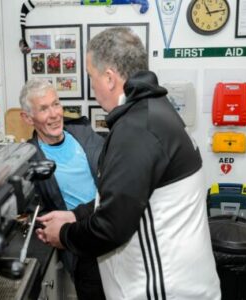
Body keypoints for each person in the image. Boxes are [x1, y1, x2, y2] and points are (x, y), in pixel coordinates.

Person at [36, 27, 221, 300]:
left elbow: (111, 228)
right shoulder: (152, 112)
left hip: (164, 292)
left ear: (109, 78)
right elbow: (125, 197)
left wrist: (63, 234)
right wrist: (76, 215)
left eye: (91, 76)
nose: (93, 86)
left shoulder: (137, 129)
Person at [19, 78, 106, 300]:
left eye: (56, 104)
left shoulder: (85, 134)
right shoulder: (29, 158)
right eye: (44, 108)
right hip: (82, 245)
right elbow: (30, 209)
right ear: (28, 118)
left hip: (113, 228)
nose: (54, 114)